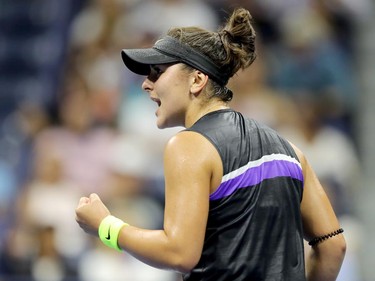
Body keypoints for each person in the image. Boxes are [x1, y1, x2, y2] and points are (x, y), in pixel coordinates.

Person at [75, 7, 346, 281]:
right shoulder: (290, 151)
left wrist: (106, 227)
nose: (146, 84)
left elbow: (179, 253)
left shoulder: (188, 145)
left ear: (197, 80)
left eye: (157, 72)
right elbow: (333, 245)